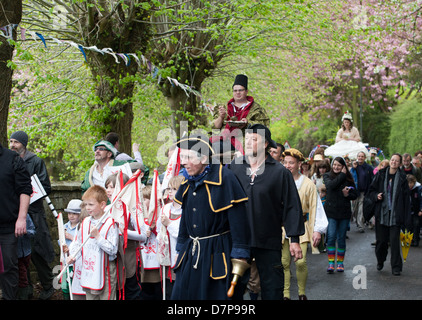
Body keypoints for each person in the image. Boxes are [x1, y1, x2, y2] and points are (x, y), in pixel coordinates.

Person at [171, 134, 251, 300]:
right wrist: (180, 248)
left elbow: (239, 223)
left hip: (218, 252)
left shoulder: (226, 178)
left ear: (204, 158)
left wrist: (240, 254)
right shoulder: (186, 179)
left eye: (188, 157)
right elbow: (185, 221)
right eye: (182, 157)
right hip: (191, 252)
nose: (183, 162)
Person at [229, 124, 304, 300]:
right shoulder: (235, 167)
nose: (248, 142)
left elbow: (292, 205)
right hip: (239, 241)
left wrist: (294, 239)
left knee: (272, 289)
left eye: (254, 139)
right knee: (234, 289)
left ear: (265, 145)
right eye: (247, 139)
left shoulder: (280, 172)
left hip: (268, 239)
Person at [9, 130, 56, 300]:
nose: (13, 145)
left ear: (24, 144)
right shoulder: (9, 161)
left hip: (34, 214)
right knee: (20, 253)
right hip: (15, 214)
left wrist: (27, 192)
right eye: (11, 141)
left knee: (37, 251)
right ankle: (26, 288)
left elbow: (45, 186)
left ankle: (48, 285)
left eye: (16, 142)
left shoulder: (35, 161)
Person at [281, 148, 328, 300]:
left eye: (291, 163)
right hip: (281, 228)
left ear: (299, 164)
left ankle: (302, 293)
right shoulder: (279, 180)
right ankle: (286, 295)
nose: (288, 165)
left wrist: (317, 230)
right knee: (284, 262)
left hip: (301, 227)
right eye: (285, 162)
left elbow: (316, 206)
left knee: (300, 262)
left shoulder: (308, 184)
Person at [67, 185, 119, 299]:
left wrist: (98, 237)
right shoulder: (85, 222)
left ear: (102, 204)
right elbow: (79, 243)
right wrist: (73, 256)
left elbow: (113, 250)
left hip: (106, 270)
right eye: (86, 204)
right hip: (89, 268)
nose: (87, 208)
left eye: (91, 204)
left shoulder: (110, 223)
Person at [367, 153, 411, 275]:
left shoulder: (402, 178)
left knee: (394, 242)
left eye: (397, 161)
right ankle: (380, 260)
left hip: (395, 215)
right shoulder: (380, 174)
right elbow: (371, 191)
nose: (394, 162)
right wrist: (376, 196)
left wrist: (407, 219)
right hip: (382, 213)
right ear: (390, 161)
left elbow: (407, 199)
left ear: (400, 164)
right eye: (392, 160)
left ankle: (396, 267)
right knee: (381, 241)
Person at [105, 172, 147, 300]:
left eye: (113, 187)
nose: (109, 190)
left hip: (129, 258)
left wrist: (123, 232)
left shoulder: (132, 210)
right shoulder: (105, 209)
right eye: (107, 187)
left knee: (131, 290)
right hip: (111, 259)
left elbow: (143, 235)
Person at [0, 141, 32, 300]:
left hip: (8, 226)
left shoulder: (12, 158)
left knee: (8, 268)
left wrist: (21, 218)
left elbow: (25, 189)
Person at [211, 74, 270, 154]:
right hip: (224, 138)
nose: (237, 93)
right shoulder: (224, 107)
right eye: (235, 90)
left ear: (246, 91)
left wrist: (247, 123)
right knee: (206, 145)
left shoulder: (257, 109)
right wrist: (221, 117)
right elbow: (215, 127)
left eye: (240, 90)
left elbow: (264, 126)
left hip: (245, 141)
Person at [323, 157, 358, 273]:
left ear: (343, 166)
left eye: (339, 165)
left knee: (341, 238)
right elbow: (331, 186)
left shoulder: (348, 178)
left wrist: (347, 195)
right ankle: (331, 263)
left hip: (344, 213)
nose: (336, 167)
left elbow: (355, 194)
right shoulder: (327, 176)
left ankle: (340, 263)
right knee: (331, 236)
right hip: (331, 212)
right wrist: (342, 175)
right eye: (334, 165)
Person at [157, 175, 184, 299]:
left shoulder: (187, 209)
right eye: (169, 189)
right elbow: (159, 231)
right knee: (167, 292)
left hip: (180, 256)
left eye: (174, 189)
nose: (170, 192)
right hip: (166, 257)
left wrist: (169, 224)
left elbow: (184, 234)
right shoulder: (166, 208)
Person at [60, 199, 82, 300]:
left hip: (75, 262)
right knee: (64, 286)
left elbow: (81, 242)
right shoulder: (64, 226)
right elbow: (60, 242)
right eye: (69, 213)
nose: (71, 216)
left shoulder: (81, 227)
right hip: (66, 261)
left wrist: (71, 237)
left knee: (74, 285)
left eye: (74, 213)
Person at [352, 151, 374, 232]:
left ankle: (361, 226)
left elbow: (373, 178)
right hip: (355, 191)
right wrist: (353, 168)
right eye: (359, 156)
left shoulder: (368, 167)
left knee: (361, 209)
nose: (360, 158)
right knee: (355, 210)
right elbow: (351, 176)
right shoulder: (354, 167)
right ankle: (358, 222)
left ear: (365, 158)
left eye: (362, 156)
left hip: (364, 192)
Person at [17, 213, 35, 300]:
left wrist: (25, 232)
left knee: (25, 275)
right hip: (16, 253)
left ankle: (29, 293)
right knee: (22, 277)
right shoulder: (8, 215)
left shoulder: (26, 215)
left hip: (26, 252)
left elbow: (33, 231)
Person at [407, 175, 422, 247]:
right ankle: (411, 239)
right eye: (408, 183)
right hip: (409, 210)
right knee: (409, 225)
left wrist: (421, 210)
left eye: (411, 183)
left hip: (416, 210)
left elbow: (421, 200)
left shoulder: (418, 189)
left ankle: (416, 240)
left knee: (416, 225)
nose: (409, 185)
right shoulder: (405, 189)